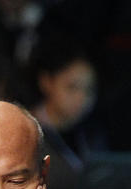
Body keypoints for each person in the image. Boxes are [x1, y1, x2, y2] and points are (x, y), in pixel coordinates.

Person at [29, 40, 104, 173]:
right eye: (72, 87)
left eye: (89, 90)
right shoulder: (26, 131)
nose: (82, 98)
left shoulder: (92, 135)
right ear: (46, 82)